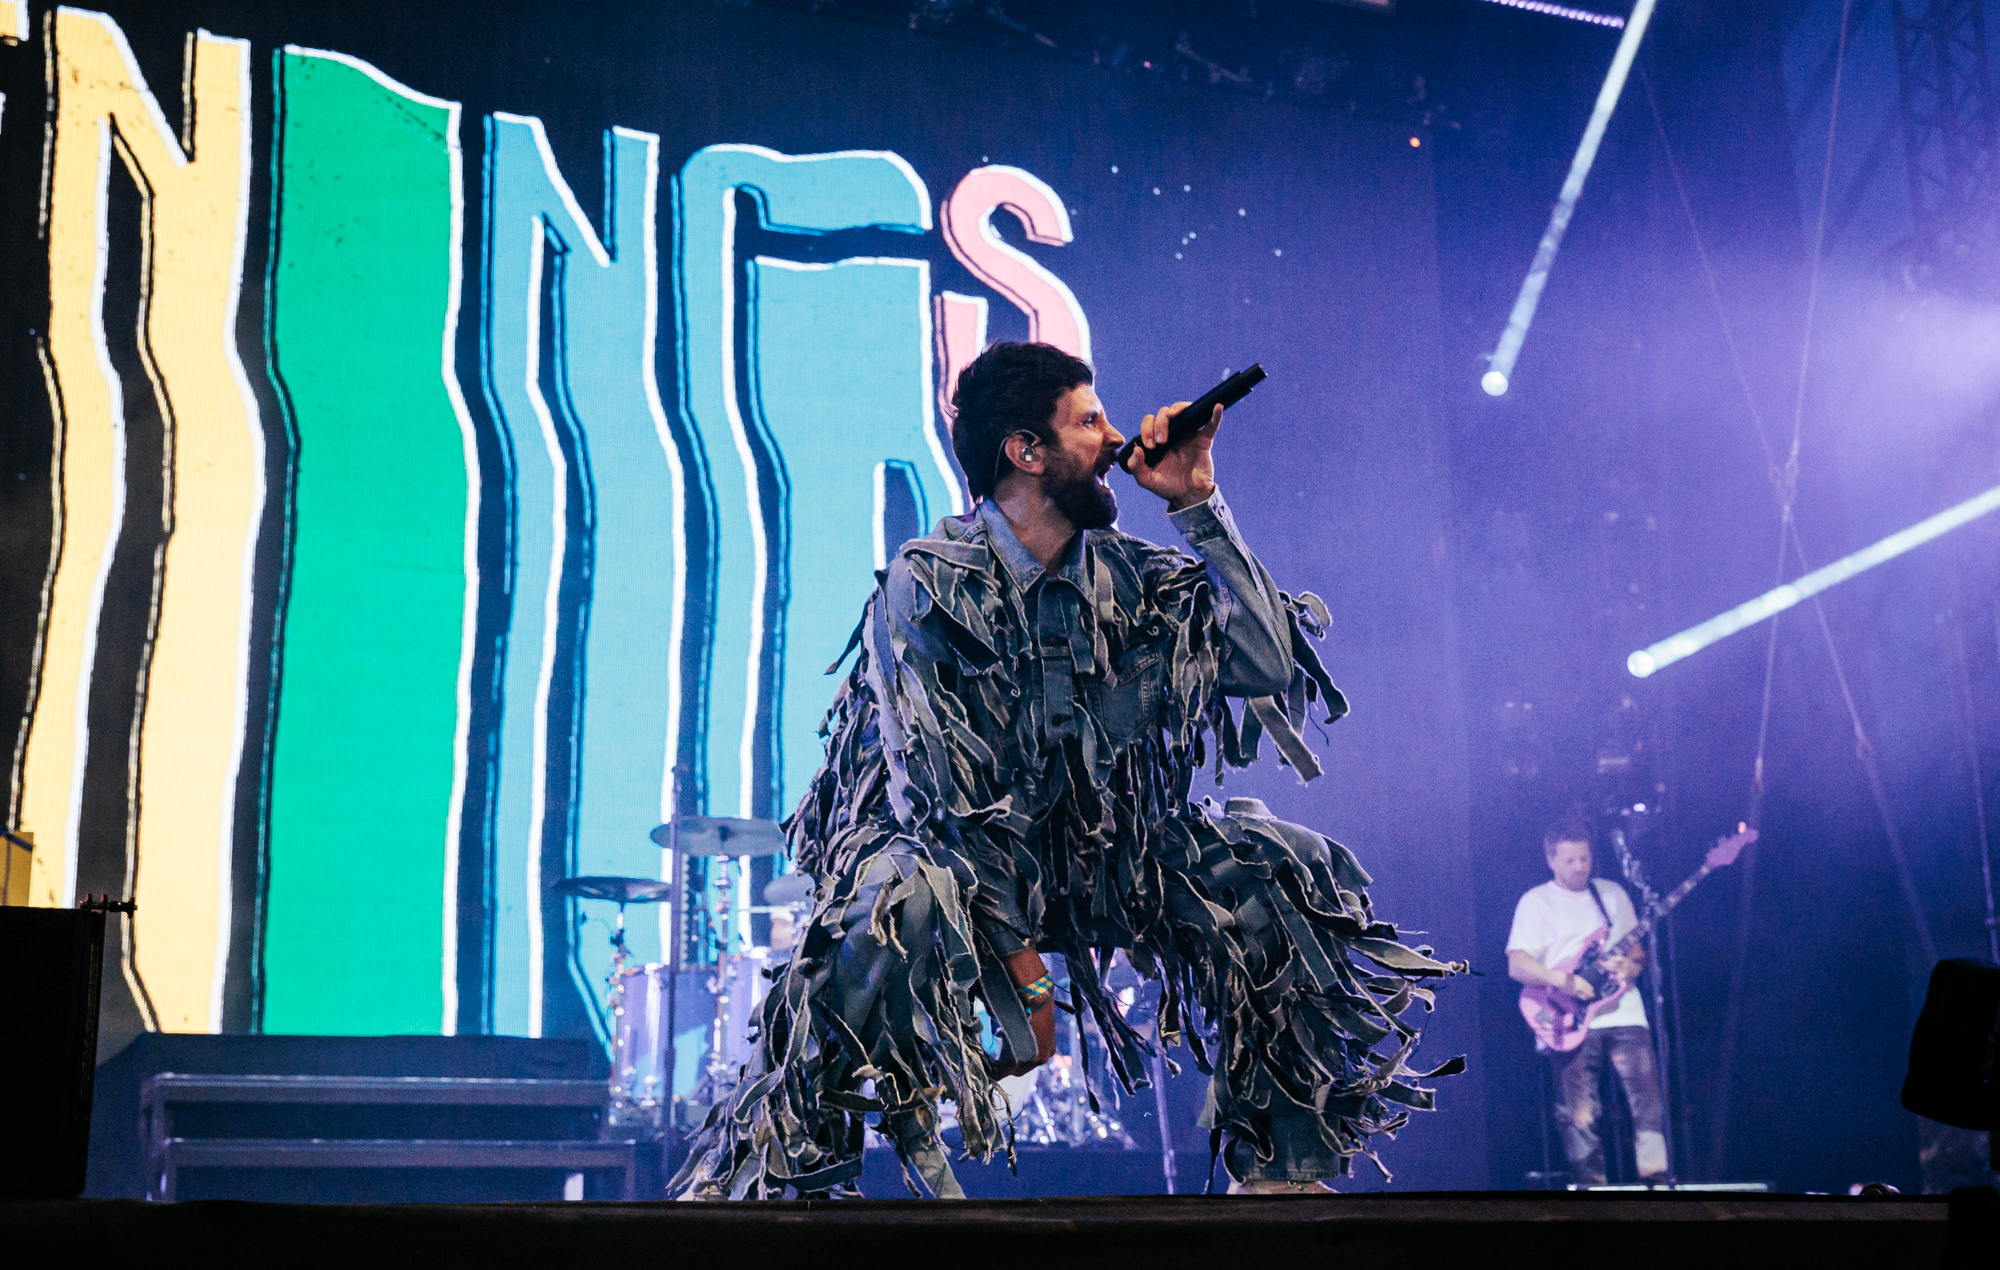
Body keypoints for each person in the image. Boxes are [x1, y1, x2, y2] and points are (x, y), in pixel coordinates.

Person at [672, 341, 1462, 1199]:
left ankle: (1283, 1174)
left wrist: (1199, 505)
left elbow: (1268, 664)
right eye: (1090, 421)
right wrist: (1027, 978)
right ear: (1027, 450)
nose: (1117, 438)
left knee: (1275, 864)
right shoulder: (928, 583)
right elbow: (943, 803)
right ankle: (790, 1178)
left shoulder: (1135, 576)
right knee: (886, 901)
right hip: (962, 878)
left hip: (1105, 865)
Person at [1506, 817, 1667, 1185]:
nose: (1580, 867)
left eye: (1585, 859)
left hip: (1625, 1013)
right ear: (1551, 859)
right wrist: (1561, 979)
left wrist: (1631, 964)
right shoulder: (1536, 902)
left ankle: (1658, 1184)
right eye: (1570, 861)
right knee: (1580, 1113)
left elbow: (1638, 955)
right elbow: (1517, 964)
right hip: (1570, 1019)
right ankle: (1592, 1192)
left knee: (1648, 1102)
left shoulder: (1611, 894)